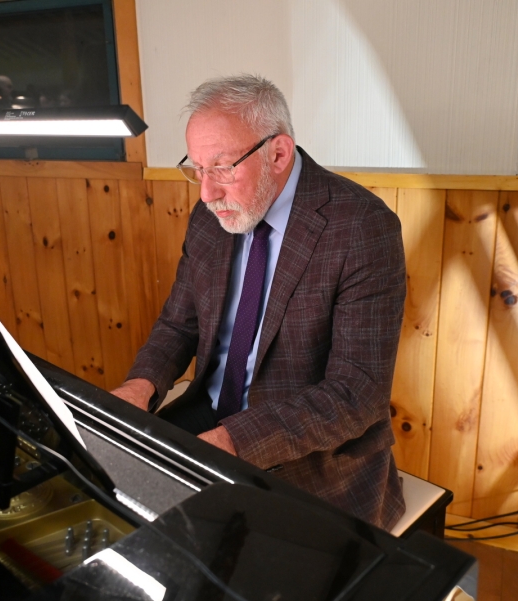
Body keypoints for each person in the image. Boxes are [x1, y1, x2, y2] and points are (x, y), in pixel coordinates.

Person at [110, 74, 406, 530]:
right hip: (207, 417)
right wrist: (141, 385)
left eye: (223, 167)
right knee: (117, 503)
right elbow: (178, 325)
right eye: (197, 168)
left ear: (279, 153)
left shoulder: (362, 228)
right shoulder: (211, 217)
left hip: (316, 457)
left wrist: (234, 441)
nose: (206, 193)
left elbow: (357, 394)